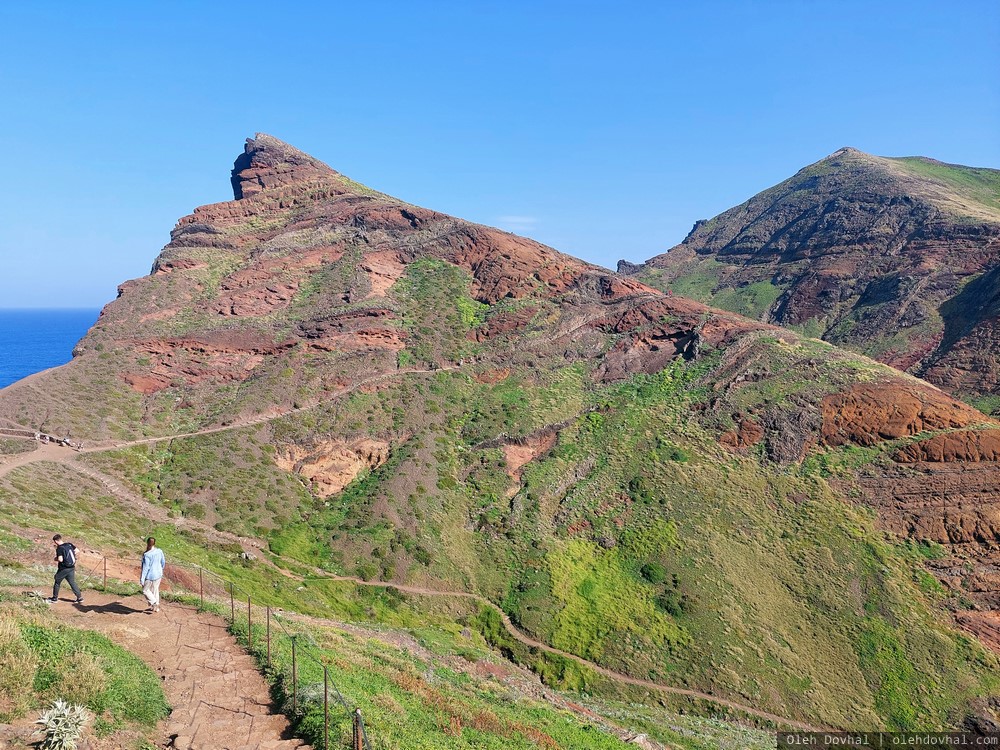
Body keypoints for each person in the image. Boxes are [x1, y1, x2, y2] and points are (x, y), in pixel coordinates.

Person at [47, 534, 83, 604]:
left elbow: (60, 559)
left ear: (56, 541)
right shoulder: (69, 544)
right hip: (71, 567)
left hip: (63, 568)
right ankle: (80, 598)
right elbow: (77, 550)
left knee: (57, 582)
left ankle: (55, 598)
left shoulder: (59, 548)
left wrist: (55, 559)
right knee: (72, 582)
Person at [140, 537, 166, 613]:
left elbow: (145, 568)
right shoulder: (159, 551)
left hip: (150, 576)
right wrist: (160, 569)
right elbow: (163, 561)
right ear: (154, 543)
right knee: (155, 590)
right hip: (158, 574)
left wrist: (142, 579)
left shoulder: (147, 555)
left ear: (147, 543)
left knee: (145, 591)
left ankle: (154, 603)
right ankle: (156, 607)